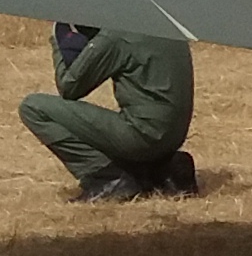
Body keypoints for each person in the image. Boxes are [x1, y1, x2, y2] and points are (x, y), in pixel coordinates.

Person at [23, 20, 198, 201]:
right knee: (141, 124)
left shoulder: (118, 35)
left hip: (143, 137)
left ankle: (108, 178)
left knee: (33, 107)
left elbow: (69, 87)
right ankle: (161, 168)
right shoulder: (167, 26)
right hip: (173, 137)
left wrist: (59, 38)